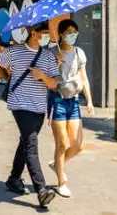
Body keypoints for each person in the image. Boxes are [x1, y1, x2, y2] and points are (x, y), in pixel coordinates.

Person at [0, 21, 60, 208]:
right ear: (34, 33)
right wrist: (8, 78)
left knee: (25, 142)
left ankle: (14, 178)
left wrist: (42, 76)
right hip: (19, 105)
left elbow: (54, 84)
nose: (47, 36)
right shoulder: (14, 51)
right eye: (44, 32)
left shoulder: (48, 56)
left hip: (39, 107)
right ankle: (41, 190)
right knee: (31, 144)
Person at [47, 19, 94, 198]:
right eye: (68, 32)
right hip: (57, 99)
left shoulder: (79, 53)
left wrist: (89, 100)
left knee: (79, 145)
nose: (72, 35)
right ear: (60, 34)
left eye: (75, 31)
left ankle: (57, 165)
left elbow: (84, 78)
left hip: (73, 101)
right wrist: (57, 63)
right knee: (62, 144)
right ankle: (61, 183)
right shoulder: (52, 53)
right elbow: (48, 81)